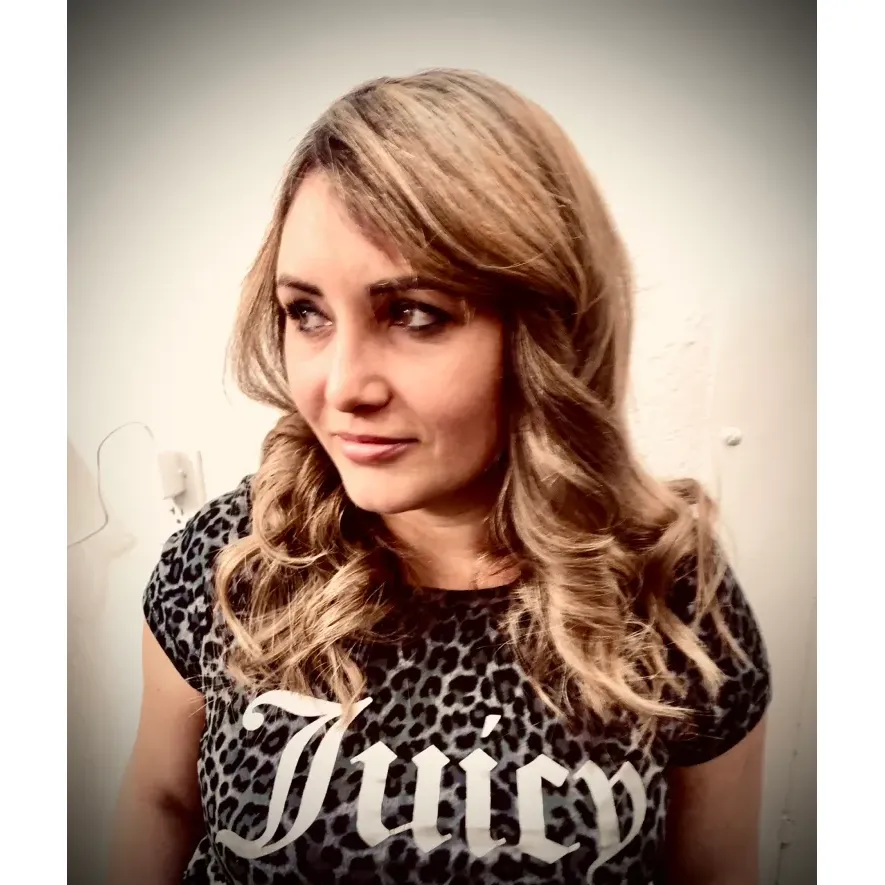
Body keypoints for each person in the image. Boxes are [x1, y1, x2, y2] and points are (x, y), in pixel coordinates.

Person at [109, 68, 771, 885]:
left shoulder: (672, 593)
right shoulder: (233, 557)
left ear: (546, 329)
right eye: (306, 312)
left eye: (413, 313)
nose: (341, 385)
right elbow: (161, 799)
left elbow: (714, 871)